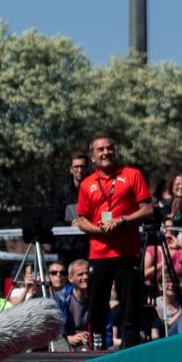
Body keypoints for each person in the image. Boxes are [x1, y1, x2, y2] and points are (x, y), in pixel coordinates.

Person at [73, 135, 153, 351]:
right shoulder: (87, 183)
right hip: (99, 253)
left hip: (127, 251)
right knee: (97, 306)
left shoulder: (132, 175)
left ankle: (130, 352)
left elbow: (148, 209)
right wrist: (99, 229)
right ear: (93, 156)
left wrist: (122, 221)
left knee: (130, 306)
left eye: (109, 148)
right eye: (100, 150)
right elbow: (81, 219)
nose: (106, 152)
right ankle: (96, 352)